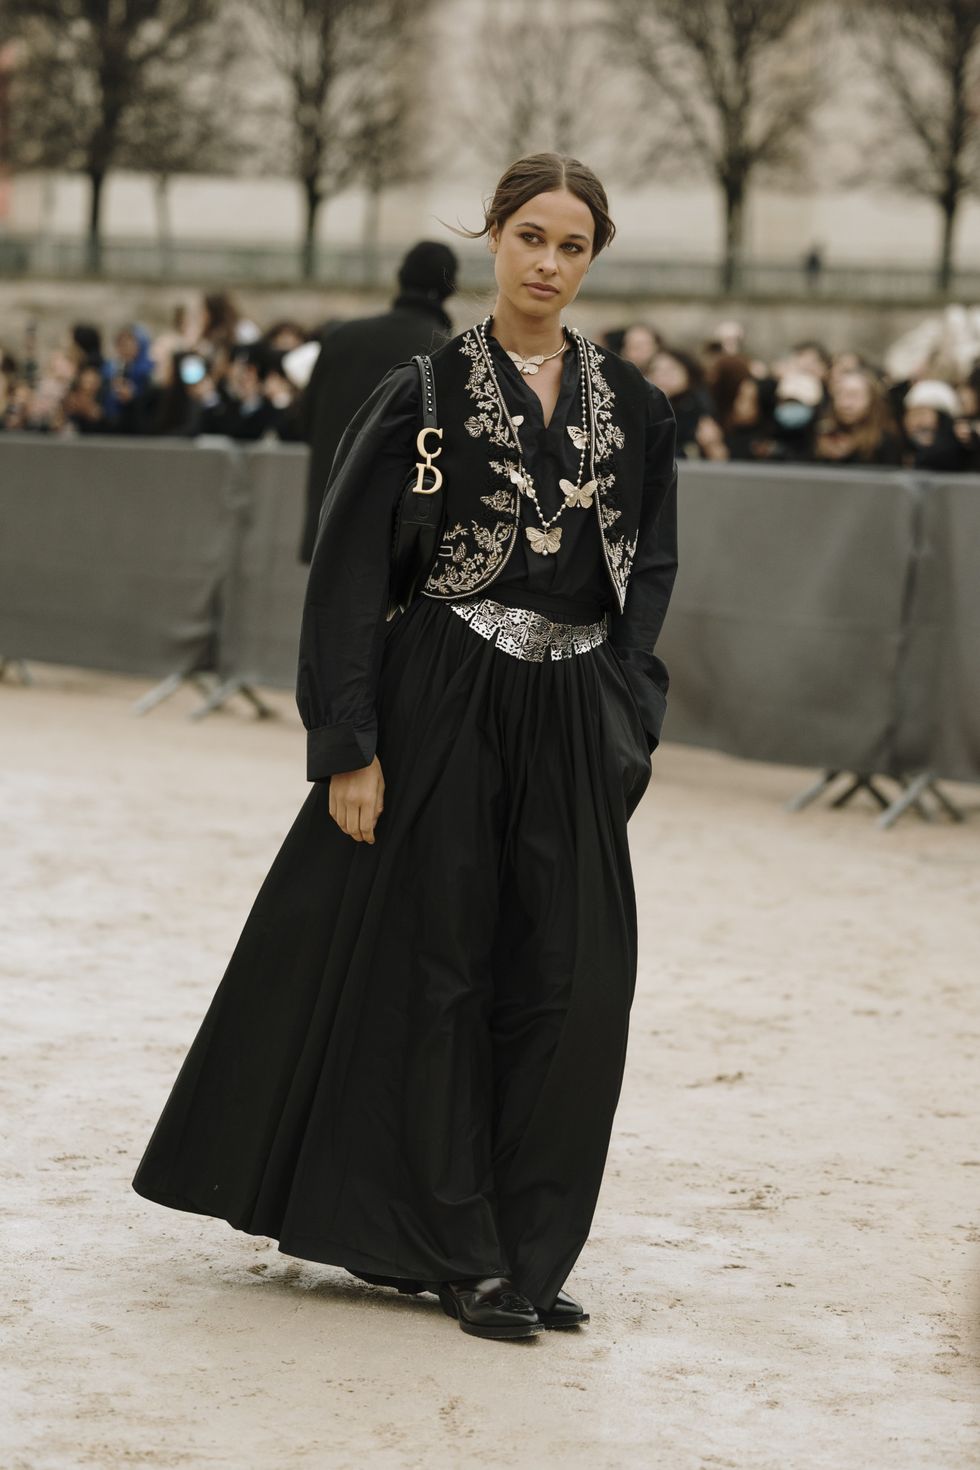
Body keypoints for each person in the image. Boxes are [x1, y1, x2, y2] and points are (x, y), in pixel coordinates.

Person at [131, 152, 679, 1343]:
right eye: (529, 235)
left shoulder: (633, 404)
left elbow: (655, 562)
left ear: (594, 258)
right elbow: (343, 577)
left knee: (572, 984)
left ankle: (527, 1248)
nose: (547, 262)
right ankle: (461, 1249)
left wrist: (628, 710)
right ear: (492, 237)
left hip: (573, 705)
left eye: (571, 244)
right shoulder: (423, 392)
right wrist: (347, 744)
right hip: (442, 693)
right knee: (442, 973)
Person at [296, 241, 459, 563]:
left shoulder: (341, 337)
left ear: (400, 277)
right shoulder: (442, 351)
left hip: (331, 516)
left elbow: (303, 421)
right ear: (449, 288)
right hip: (397, 532)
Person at [813, 368, 903, 466]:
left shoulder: (885, 442)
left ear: (872, 401)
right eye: (839, 394)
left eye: (854, 396)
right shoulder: (822, 433)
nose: (845, 404)